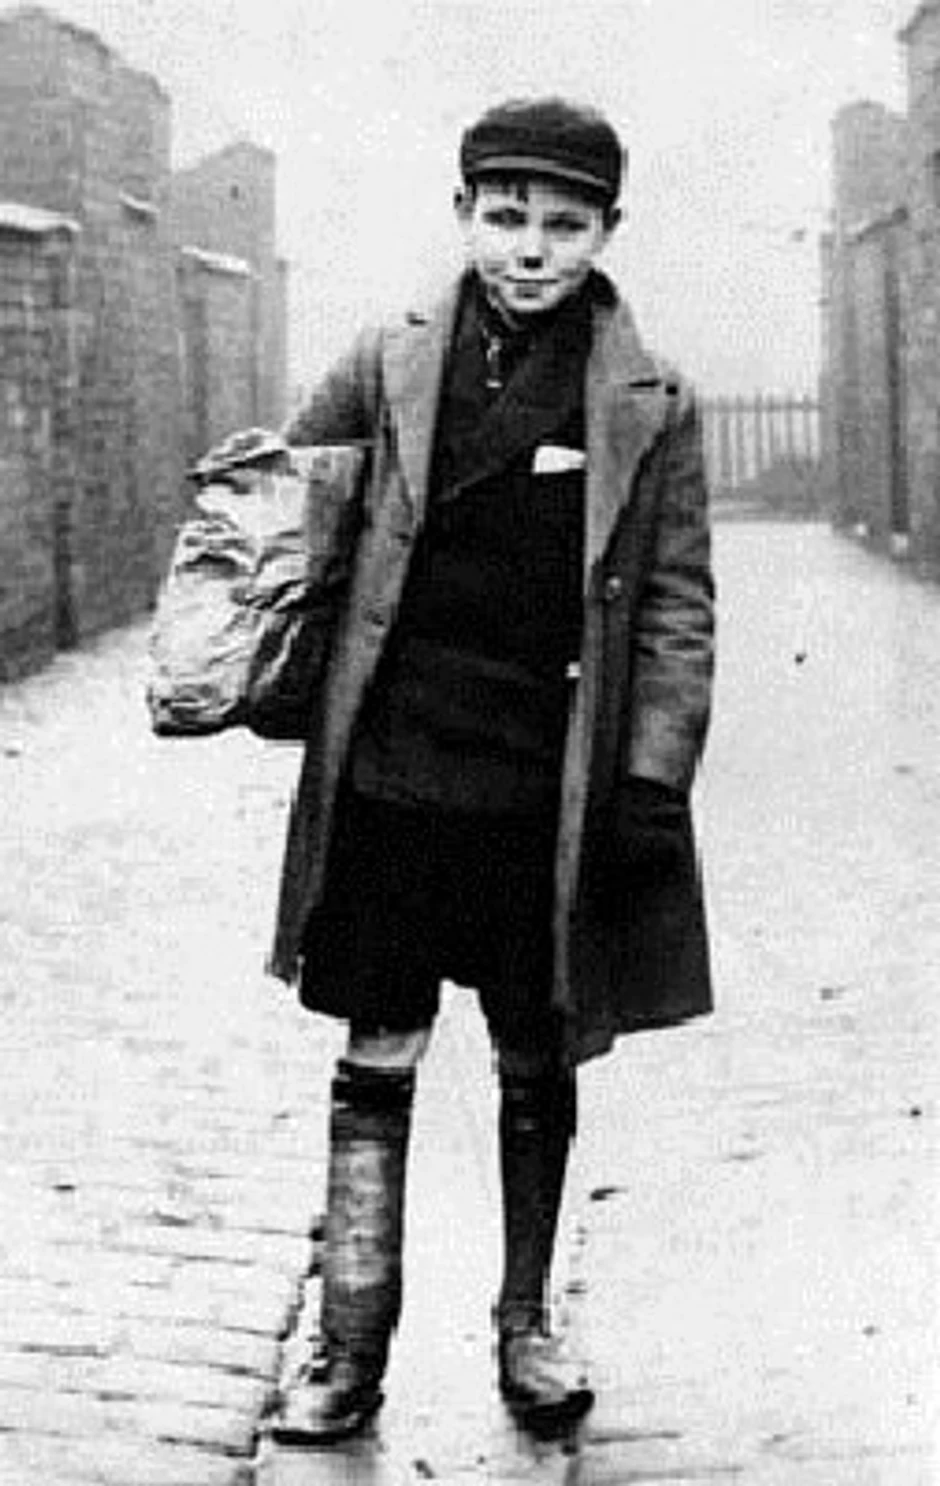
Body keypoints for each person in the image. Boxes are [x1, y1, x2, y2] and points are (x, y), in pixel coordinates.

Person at [267, 96, 716, 1445]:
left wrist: (651, 776)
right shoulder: (386, 358)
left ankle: (527, 1327)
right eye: (506, 216)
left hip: (545, 784)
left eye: (563, 224)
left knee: (536, 1050)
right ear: (464, 213)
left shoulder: (651, 400)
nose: (530, 248)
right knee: (379, 1046)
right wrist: (256, 648)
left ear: (607, 232)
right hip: (396, 767)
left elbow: (678, 602)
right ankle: (349, 1345)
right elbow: (288, 506)